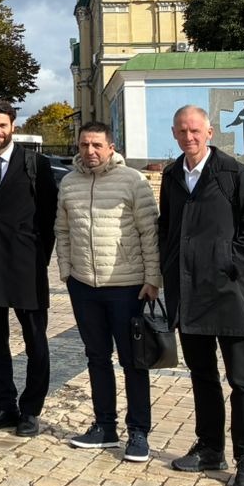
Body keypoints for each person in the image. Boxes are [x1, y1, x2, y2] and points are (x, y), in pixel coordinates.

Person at [158, 104, 244, 486]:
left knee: (242, 380)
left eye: (195, 130)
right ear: (174, 134)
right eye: (181, 131)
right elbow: (168, 229)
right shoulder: (172, 175)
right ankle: (210, 448)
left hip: (226, 292)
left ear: (209, 132)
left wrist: (229, 263)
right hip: (187, 294)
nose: (188, 137)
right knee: (202, 376)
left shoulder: (234, 174)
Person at [56, 122, 161, 462]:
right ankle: (104, 426)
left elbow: (149, 232)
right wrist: (67, 271)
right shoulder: (69, 183)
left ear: (111, 146)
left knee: (133, 362)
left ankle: (139, 432)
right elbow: (63, 229)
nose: (90, 151)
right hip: (84, 286)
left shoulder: (132, 180)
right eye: (85, 144)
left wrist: (152, 277)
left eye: (97, 144)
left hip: (127, 286)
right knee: (97, 357)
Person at [0, 101, 58, 437]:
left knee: (35, 339)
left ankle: (31, 409)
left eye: (2, 125)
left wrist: (38, 258)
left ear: (13, 126)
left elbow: (49, 216)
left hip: (25, 266)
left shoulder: (36, 164)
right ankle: (4, 403)